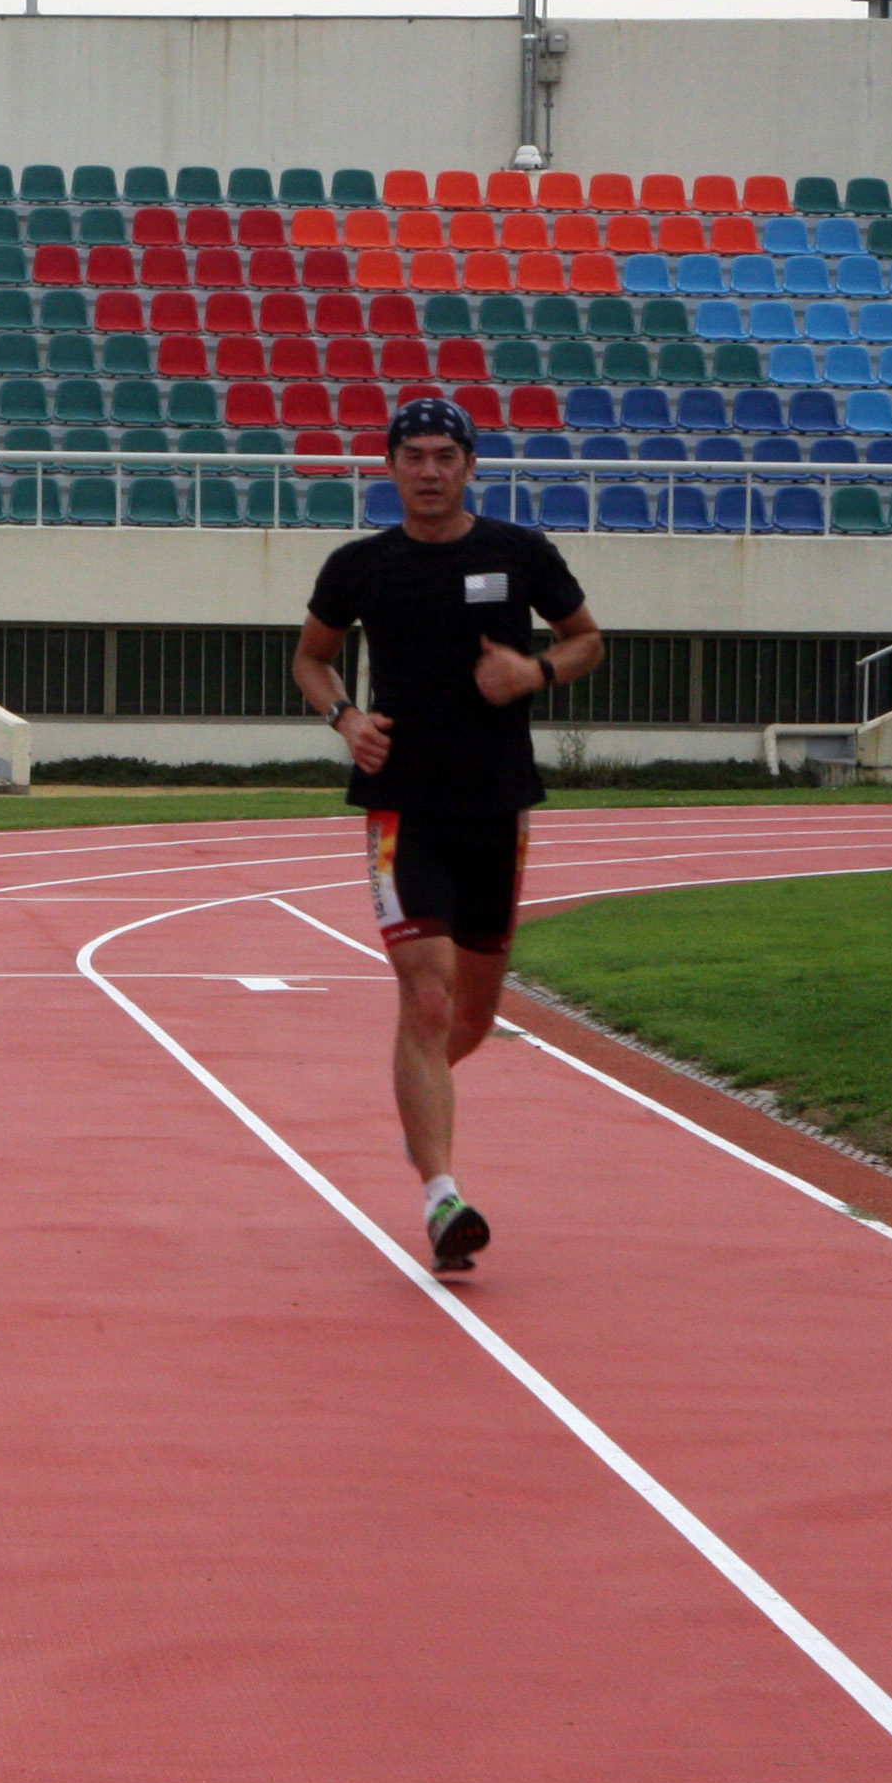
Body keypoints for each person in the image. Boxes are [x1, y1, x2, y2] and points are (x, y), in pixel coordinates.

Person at [293, 399, 602, 1272]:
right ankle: (441, 1196)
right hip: (402, 808)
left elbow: (588, 641)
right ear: (389, 466)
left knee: (472, 1014)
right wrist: (345, 718)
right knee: (425, 998)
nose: (428, 471)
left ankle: (417, 1118)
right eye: (413, 456)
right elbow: (310, 657)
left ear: (471, 465)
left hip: (497, 807)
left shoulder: (519, 553)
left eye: (444, 456)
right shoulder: (360, 566)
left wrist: (534, 670)